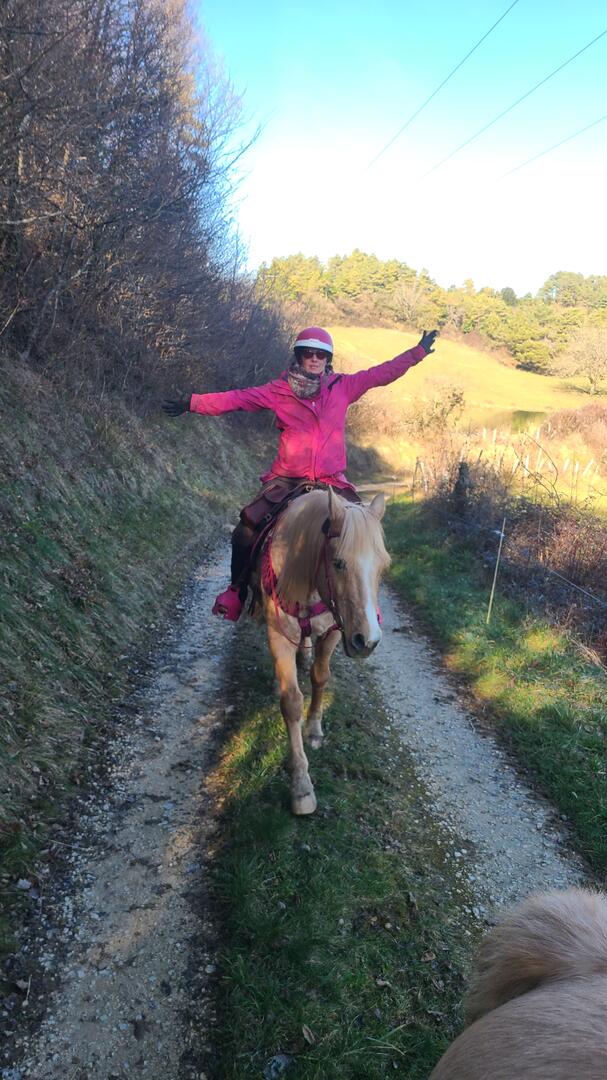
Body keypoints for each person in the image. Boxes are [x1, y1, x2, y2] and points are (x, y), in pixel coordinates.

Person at [162, 325, 438, 620]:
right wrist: (192, 403)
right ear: (298, 356)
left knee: (363, 531)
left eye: (321, 354)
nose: (314, 358)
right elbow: (236, 399)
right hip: (287, 480)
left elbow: (381, 373)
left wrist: (417, 352)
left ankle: (368, 607)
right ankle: (237, 591)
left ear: (328, 359)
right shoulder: (278, 391)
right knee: (246, 529)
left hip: (332, 481)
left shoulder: (344, 386)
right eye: (308, 353)